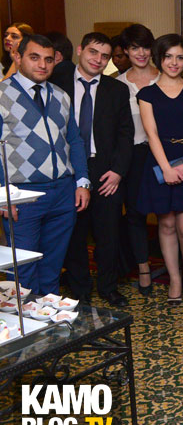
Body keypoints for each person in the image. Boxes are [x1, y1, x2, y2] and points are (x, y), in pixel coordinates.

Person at [0, 34, 90, 295]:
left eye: (48, 60)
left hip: (63, 193)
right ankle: (24, 319)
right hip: (21, 196)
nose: (42, 65)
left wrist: (82, 181)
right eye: (34, 57)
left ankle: (47, 317)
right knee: (22, 269)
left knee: (53, 266)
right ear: (18, 57)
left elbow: (74, 140)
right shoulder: (2, 95)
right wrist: (3, 195)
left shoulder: (60, 96)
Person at [53, 32, 133, 307]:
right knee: (74, 232)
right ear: (80, 50)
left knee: (108, 233)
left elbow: (125, 134)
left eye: (105, 56)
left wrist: (118, 172)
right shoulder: (57, 82)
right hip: (69, 169)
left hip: (106, 170)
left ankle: (108, 287)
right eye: (93, 52)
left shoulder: (117, 89)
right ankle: (80, 289)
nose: (98, 60)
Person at [137, 34, 183, 305]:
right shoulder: (147, 94)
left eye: (179, 57)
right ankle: (175, 278)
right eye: (168, 57)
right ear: (159, 59)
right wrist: (166, 168)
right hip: (159, 164)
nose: (174, 62)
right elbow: (151, 134)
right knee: (166, 223)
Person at [116, 24, 159, 295]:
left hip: (163, 154)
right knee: (135, 213)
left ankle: (177, 268)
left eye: (145, 47)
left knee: (169, 214)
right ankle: (143, 268)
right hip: (132, 155)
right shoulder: (117, 84)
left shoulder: (166, 76)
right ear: (126, 51)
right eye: (134, 48)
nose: (141, 53)